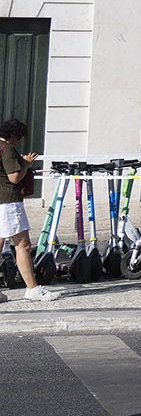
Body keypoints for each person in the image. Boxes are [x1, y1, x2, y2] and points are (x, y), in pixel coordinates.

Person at [0, 119, 54, 302]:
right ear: (13, 135)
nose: (19, 142)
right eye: (19, 138)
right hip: (8, 201)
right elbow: (14, 177)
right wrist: (26, 163)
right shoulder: (6, 148)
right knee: (22, 245)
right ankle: (32, 289)